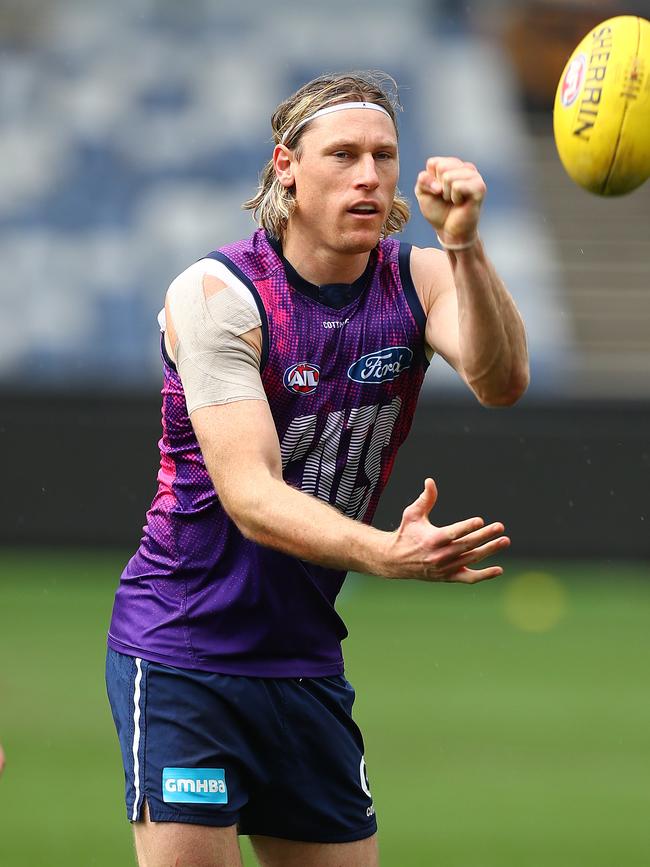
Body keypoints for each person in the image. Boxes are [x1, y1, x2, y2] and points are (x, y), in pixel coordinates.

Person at [106, 70, 529, 867]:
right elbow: (251, 497)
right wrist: (385, 554)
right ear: (286, 167)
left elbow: (500, 382)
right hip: (183, 647)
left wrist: (466, 245)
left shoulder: (417, 275)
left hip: (304, 657)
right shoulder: (220, 292)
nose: (368, 175)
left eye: (383, 156)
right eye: (343, 154)